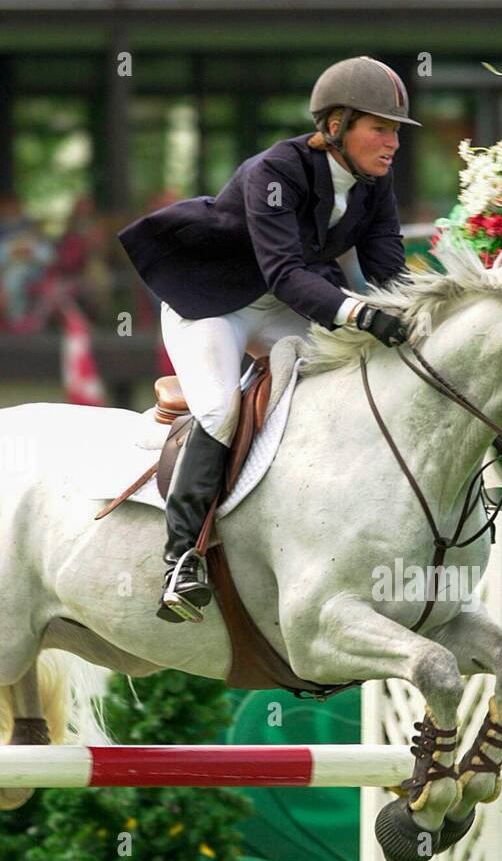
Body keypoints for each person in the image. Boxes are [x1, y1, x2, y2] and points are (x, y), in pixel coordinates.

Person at [117, 56, 419, 623]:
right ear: (335, 126)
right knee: (220, 409)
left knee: (347, 374)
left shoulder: (375, 184)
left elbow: (388, 270)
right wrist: (358, 312)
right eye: (379, 127)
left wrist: (415, 317)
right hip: (211, 304)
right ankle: (182, 559)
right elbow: (283, 270)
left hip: (282, 305)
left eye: (396, 131)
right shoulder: (275, 170)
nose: (392, 142)